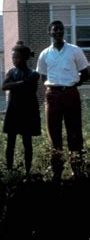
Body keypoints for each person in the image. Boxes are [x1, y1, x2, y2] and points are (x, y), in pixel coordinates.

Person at [36, 20, 89, 181]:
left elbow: (85, 72)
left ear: (63, 32)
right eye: (55, 30)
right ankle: (57, 172)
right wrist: (55, 89)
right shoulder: (45, 54)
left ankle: (77, 170)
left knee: (74, 133)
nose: (58, 32)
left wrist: (73, 84)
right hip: (52, 96)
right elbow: (43, 76)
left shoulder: (74, 51)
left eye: (60, 29)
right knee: (54, 134)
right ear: (50, 33)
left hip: (70, 94)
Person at [2, 41, 40, 176]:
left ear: (25, 58)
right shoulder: (12, 72)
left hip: (27, 111)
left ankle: (28, 171)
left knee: (27, 142)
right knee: (10, 142)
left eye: (17, 57)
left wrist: (17, 85)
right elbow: (4, 86)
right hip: (13, 110)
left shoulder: (33, 74)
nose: (14, 60)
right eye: (13, 57)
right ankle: (9, 169)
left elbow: (31, 88)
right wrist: (21, 83)